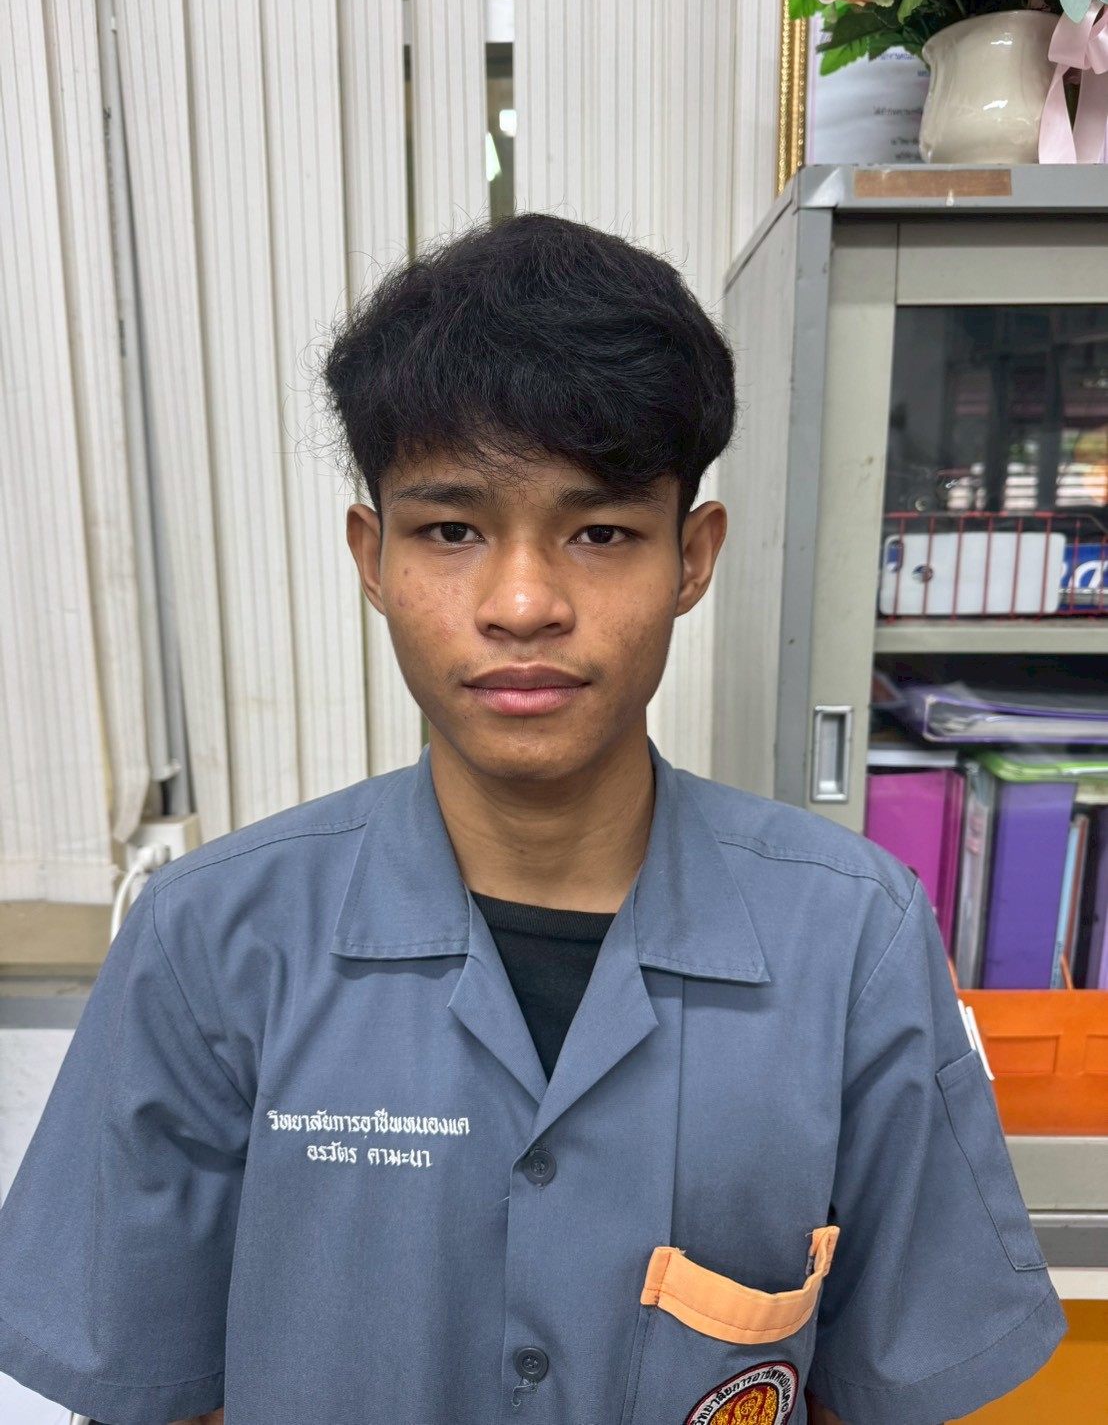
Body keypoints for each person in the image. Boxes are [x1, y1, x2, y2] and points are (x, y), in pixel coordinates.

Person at [0, 215, 1064, 1425]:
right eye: (451, 530)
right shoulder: (212, 941)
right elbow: (150, 1390)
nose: (521, 603)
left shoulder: (851, 939)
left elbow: (877, 1389)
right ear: (372, 556)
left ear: (692, 557)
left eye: (600, 532)